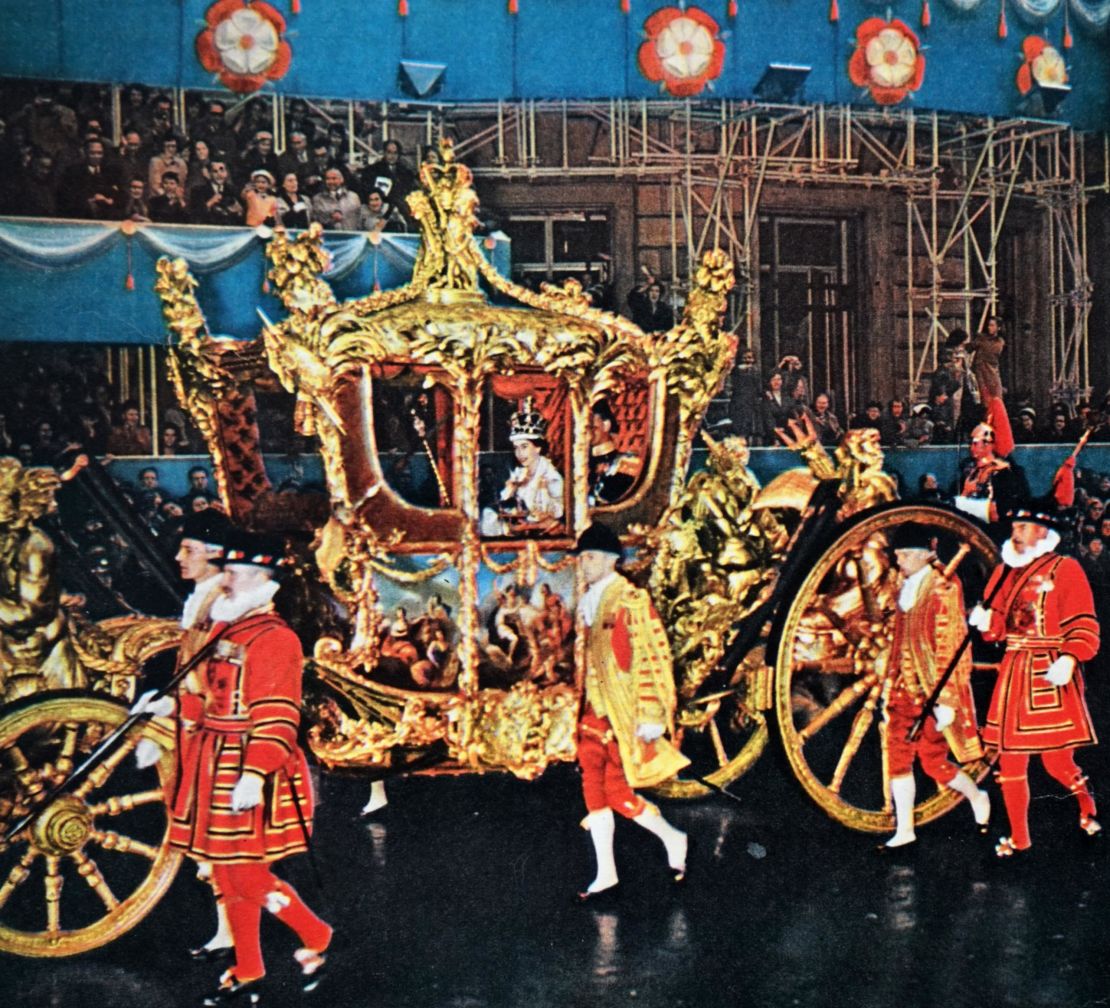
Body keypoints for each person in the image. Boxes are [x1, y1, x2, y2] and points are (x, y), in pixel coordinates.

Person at [133, 530, 331, 1001]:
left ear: (261, 577)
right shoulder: (228, 630)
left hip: (246, 766)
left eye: (232, 572)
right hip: (212, 759)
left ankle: (318, 936)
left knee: (244, 874)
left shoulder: (276, 638)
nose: (222, 580)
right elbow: (208, 697)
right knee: (226, 871)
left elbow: (279, 714)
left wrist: (255, 772)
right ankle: (249, 968)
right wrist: (168, 708)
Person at [970, 504, 1102, 857]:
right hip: (1014, 673)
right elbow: (999, 628)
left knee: (1057, 763)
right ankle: (1020, 839)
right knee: (1009, 760)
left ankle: (1087, 808)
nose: (1017, 533)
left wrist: (1071, 656)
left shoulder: (1065, 569)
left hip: (1049, 673)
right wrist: (986, 623)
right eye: (1015, 526)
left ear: (1044, 533)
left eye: (1025, 526)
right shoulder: (1003, 572)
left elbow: (1083, 621)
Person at [135, 509, 234, 957]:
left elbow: (223, 680)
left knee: (220, 838)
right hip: (192, 726)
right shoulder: (202, 597)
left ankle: (239, 931)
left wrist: (177, 706)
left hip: (218, 733)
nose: (178, 557)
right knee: (204, 836)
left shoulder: (224, 604)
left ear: (215, 554)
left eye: (188, 550)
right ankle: (230, 928)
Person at [573, 521, 689, 901]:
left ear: (610, 560)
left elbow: (652, 659)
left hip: (624, 711)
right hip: (596, 710)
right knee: (592, 787)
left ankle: (672, 837)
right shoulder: (591, 600)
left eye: (589, 557)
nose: (583, 564)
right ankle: (605, 874)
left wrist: (652, 714)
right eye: (581, 557)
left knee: (618, 792)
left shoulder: (630, 600)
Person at [876, 523, 990, 851]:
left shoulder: (944, 587)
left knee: (932, 761)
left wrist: (947, 700)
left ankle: (976, 795)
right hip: (903, 686)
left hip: (932, 689)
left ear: (925, 554)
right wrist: (890, 678)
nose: (900, 562)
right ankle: (906, 829)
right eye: (898, 556)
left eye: (906, 555)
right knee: (897, 756)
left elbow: (951, 644)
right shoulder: (903, 586)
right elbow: (899, 637)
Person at [480, 397, 565, 536]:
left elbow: (557, 515)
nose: (519, 453)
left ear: (537, 448)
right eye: (516, 448)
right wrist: (510, 491)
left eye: (524, 447)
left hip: (542, 531)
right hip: (519, 527)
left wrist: (531, 524)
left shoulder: (552, 477)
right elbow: (505, 506)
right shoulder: (519, 473)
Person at [952, 421, 1030, 539]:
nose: (971, 447)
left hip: (995, 534)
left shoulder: (1008, 473)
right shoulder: (966, 470)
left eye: (975, 443)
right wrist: (965, 494)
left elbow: (1000, 511)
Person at [587, 400, 639, 506]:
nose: (588, 433)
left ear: (606, 426)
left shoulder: (627, 463)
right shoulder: (583, 463)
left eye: (592, 428)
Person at [728, 348, 763, 444]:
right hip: (739, 405)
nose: (748, 360)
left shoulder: (755, 371)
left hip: (753, 405)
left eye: (750, 358)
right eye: (745, 358)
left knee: (754, 431)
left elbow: (759, 387)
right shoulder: (736, 371)